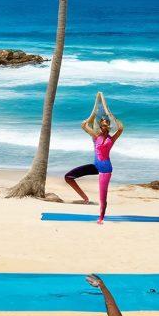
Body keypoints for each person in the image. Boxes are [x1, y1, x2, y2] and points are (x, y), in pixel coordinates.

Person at [63, 92, 123, 223]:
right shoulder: (95, 137)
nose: (103, 128)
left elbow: (121, 128)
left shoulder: (111, 139)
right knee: (68, 177)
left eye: (106, 125)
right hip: (96, 166)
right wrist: (93, 113)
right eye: (102, 126)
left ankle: (101, 218)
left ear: (108, 127)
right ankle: (85, 198)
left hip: (105, 169)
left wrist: (110, 114)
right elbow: (84, 126)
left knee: (103, 197)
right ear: (100, 127)